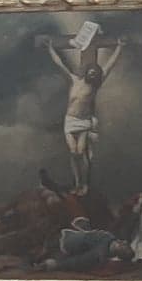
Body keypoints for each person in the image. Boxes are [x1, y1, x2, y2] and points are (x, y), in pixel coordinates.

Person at [37, 30, 130, 193]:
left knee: (81, 152)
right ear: (87, 71)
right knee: (73, 152)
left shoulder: (95, 86)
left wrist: (119, 47)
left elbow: (109, 65)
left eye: (94, 72)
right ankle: (77, 183)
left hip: (84, 121)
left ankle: (85, 184)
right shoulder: (74, 80)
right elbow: (60, 64)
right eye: (90, 71)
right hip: (70, 121)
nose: (92, 73)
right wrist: (51, 48)